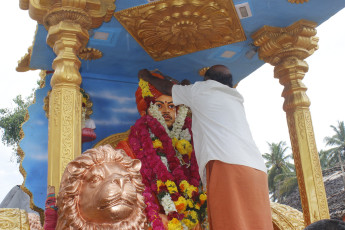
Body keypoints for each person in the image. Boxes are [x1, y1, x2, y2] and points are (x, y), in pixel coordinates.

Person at [138, 65, 273, 230]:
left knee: (229, 222)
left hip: (228, 166)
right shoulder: (234, 97)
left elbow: (167, 88)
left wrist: (146, 76)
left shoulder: (202, 90)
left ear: (207, 80)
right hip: (256, 171)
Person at [116, 71, 206, 230]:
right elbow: (122, 196)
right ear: (146, 111)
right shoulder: (127, 148)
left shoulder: (189, 146)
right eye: (159, 105)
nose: (166, 111)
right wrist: (154, 215)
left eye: (171, 106)